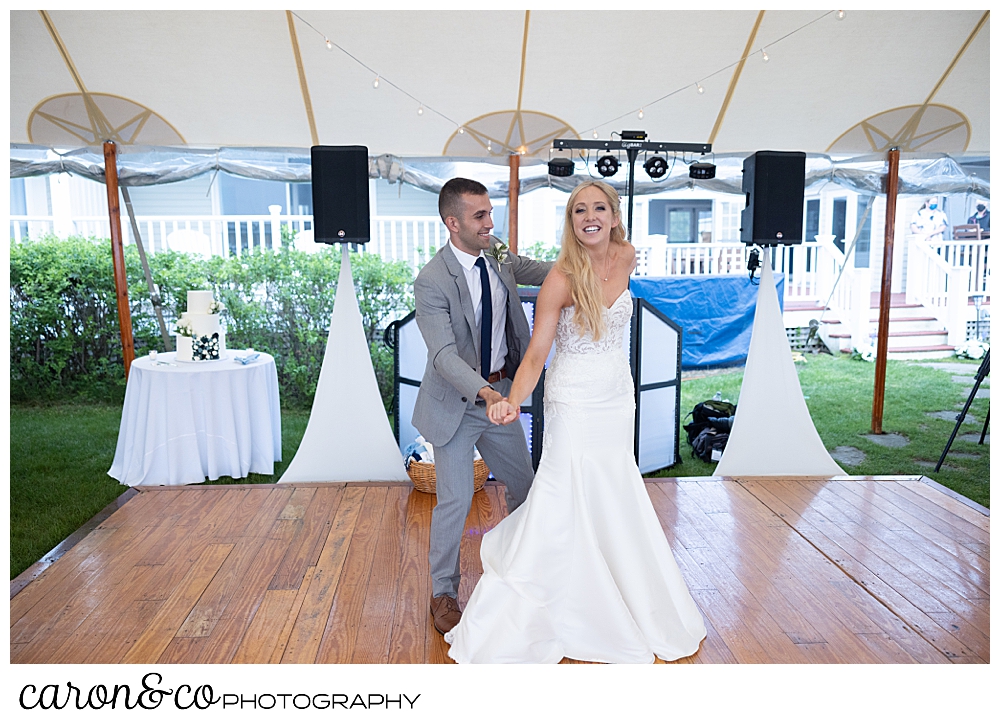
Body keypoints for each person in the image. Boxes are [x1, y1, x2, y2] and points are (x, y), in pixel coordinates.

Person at [445, 180, 707, 664]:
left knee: (615, 490)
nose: (590, 216)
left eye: (599, 208)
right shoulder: (561, 278)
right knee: (567, 494)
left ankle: (628, 596)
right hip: (573, 401)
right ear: (571, 221)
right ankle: (560, 605)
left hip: (616, 397)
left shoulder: (627, 256)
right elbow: (537, 354)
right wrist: (510, 402)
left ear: (613, 214)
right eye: (579, 210)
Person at [412, 177, 552, 636]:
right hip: (458, 404)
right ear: (452, 223)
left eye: (490, 213)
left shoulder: (495, 253)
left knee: (524, 485)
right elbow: (443, 356)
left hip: (500, 395)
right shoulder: (432, 281)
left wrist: (592, 259)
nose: (489, 223)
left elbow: (539, 270)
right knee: (454, 499)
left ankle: (524, 569)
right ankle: (443, 592)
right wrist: (488, 396)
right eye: (479, 216)